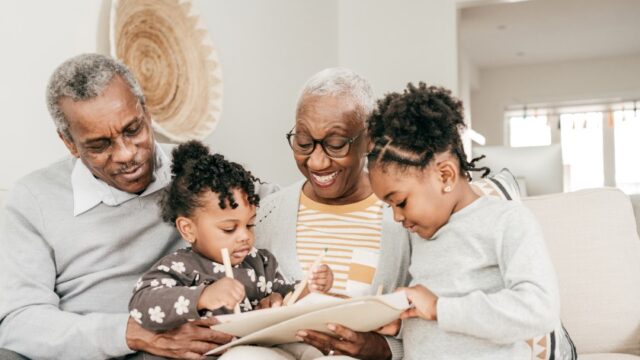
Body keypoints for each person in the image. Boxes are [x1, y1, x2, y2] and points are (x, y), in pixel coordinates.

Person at [0, 54, 274, 360]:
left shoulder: (194, 175)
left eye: (133, 130)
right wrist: (132, 334)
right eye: (100, 145)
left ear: (146, 111)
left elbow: (280, 203)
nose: (126, 154)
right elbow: (18, 321)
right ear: (69, 143)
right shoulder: (34, 197)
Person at [365, 82, 577, 359]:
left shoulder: (506, 220)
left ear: (445, 176)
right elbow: (439, 327)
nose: (396, 216)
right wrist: (403, 324)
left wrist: (441, 308)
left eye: (401, 201)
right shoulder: (418, 235)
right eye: (389, 205)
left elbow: (540, 310)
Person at [254, 68, 412, 360]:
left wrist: (381, 348)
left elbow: (427, 318)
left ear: (369, 140)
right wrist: (263, 303)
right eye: (303, 143)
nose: (316, 161)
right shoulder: (267, 214)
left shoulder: (403, 215)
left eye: (336, 144)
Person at [129, 141, 333, 358]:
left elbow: (287, 299)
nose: (245, 236)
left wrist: (309, 287)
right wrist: (203, 296)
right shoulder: (180, 267)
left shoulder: (260, 263)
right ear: (188, 229)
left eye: (250, 224)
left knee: (312, 351)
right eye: (229, 228)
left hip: (265, 349)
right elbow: (142, 305)